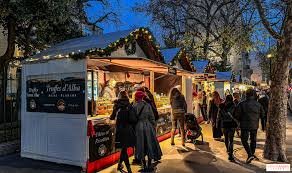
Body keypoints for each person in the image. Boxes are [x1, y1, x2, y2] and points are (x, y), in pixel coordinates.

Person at [133, 91, 162, 171]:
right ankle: (149, 162)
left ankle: (143, 163)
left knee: (140, 145)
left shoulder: (134, 106)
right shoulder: (147, 105)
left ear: (136, 97)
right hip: (147, 125)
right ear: (143, 97)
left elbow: (132, 118)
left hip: (138, 127)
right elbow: (152, 117)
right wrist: (152, 126)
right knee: (149, 143)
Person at [235, 88, 265, 164]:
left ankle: (250, 154)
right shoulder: (258, 104)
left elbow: (237, 115)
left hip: (244, 125)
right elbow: (263, 115)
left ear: (246, 95)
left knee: (244, 140)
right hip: (254, 125)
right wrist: (263, 126)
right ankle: (251, 153)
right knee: (253, 140)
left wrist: (237, 124)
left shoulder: (241, 104)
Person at [110, 91, 136, 173]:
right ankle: (119, 166)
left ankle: (129, 169)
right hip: (128, 129)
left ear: (119, 96)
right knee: (124, 148)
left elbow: (112, 117)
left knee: (123, 149)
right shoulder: (129, 105)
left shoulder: (117, 105)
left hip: (120, 129)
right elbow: (133, 118)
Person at [217, 95, 238, 162]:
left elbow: (219, 116)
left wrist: (218, 124)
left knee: (226, 138)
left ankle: (228, 150)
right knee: (231, 140)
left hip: (224, 124)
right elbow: (236, 115)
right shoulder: (234, 106)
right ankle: (230, 155)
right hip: (231, 125)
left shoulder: (221, 106)